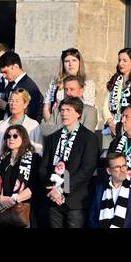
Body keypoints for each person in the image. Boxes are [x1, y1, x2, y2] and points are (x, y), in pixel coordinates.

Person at [42, 97, 97, 228]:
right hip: (53, 198)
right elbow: (43, 167)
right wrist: (52, 189)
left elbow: (87, 169)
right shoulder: (53, 137)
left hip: (75, 200)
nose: (64, 113)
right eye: (61, 110)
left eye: (68, 110)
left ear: (78, 113)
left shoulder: (89, 138)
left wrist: (62, 189)